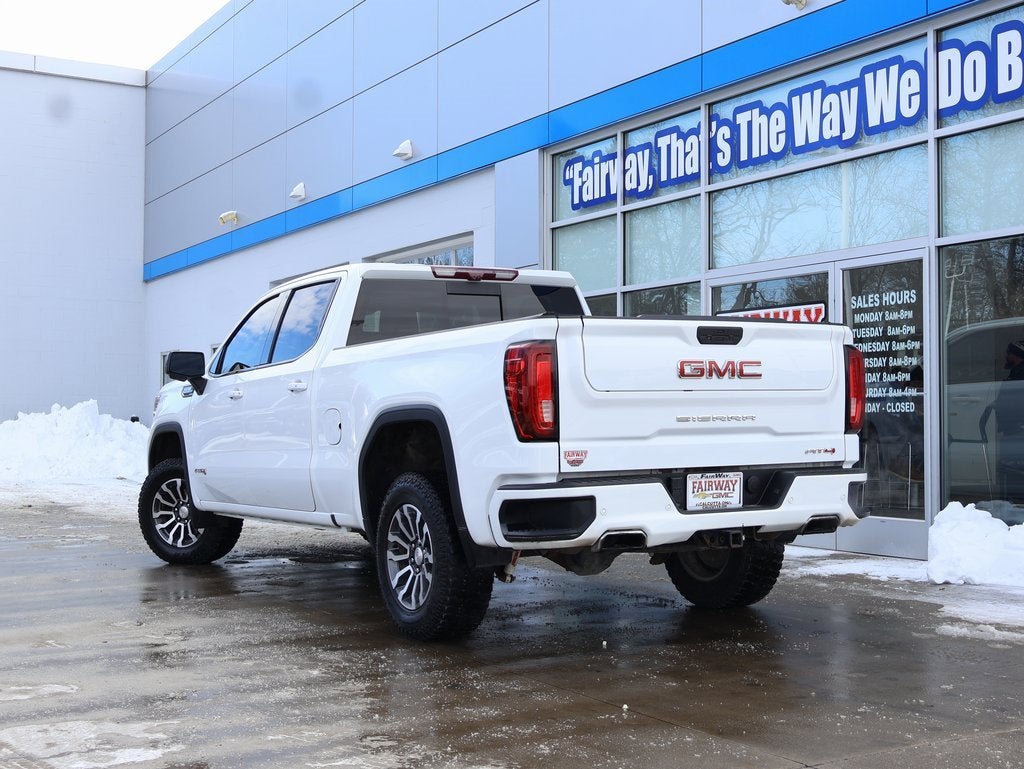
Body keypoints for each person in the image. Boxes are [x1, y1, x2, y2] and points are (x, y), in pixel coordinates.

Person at [992, 340, 1024, 501]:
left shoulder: (1020, 374)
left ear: (1016, 355)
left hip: (1016, 428)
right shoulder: (1015, 373)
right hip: (1012, 427)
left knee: (1014, 466)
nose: (1006, 356)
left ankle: (1015, 499)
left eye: (1008, 353)